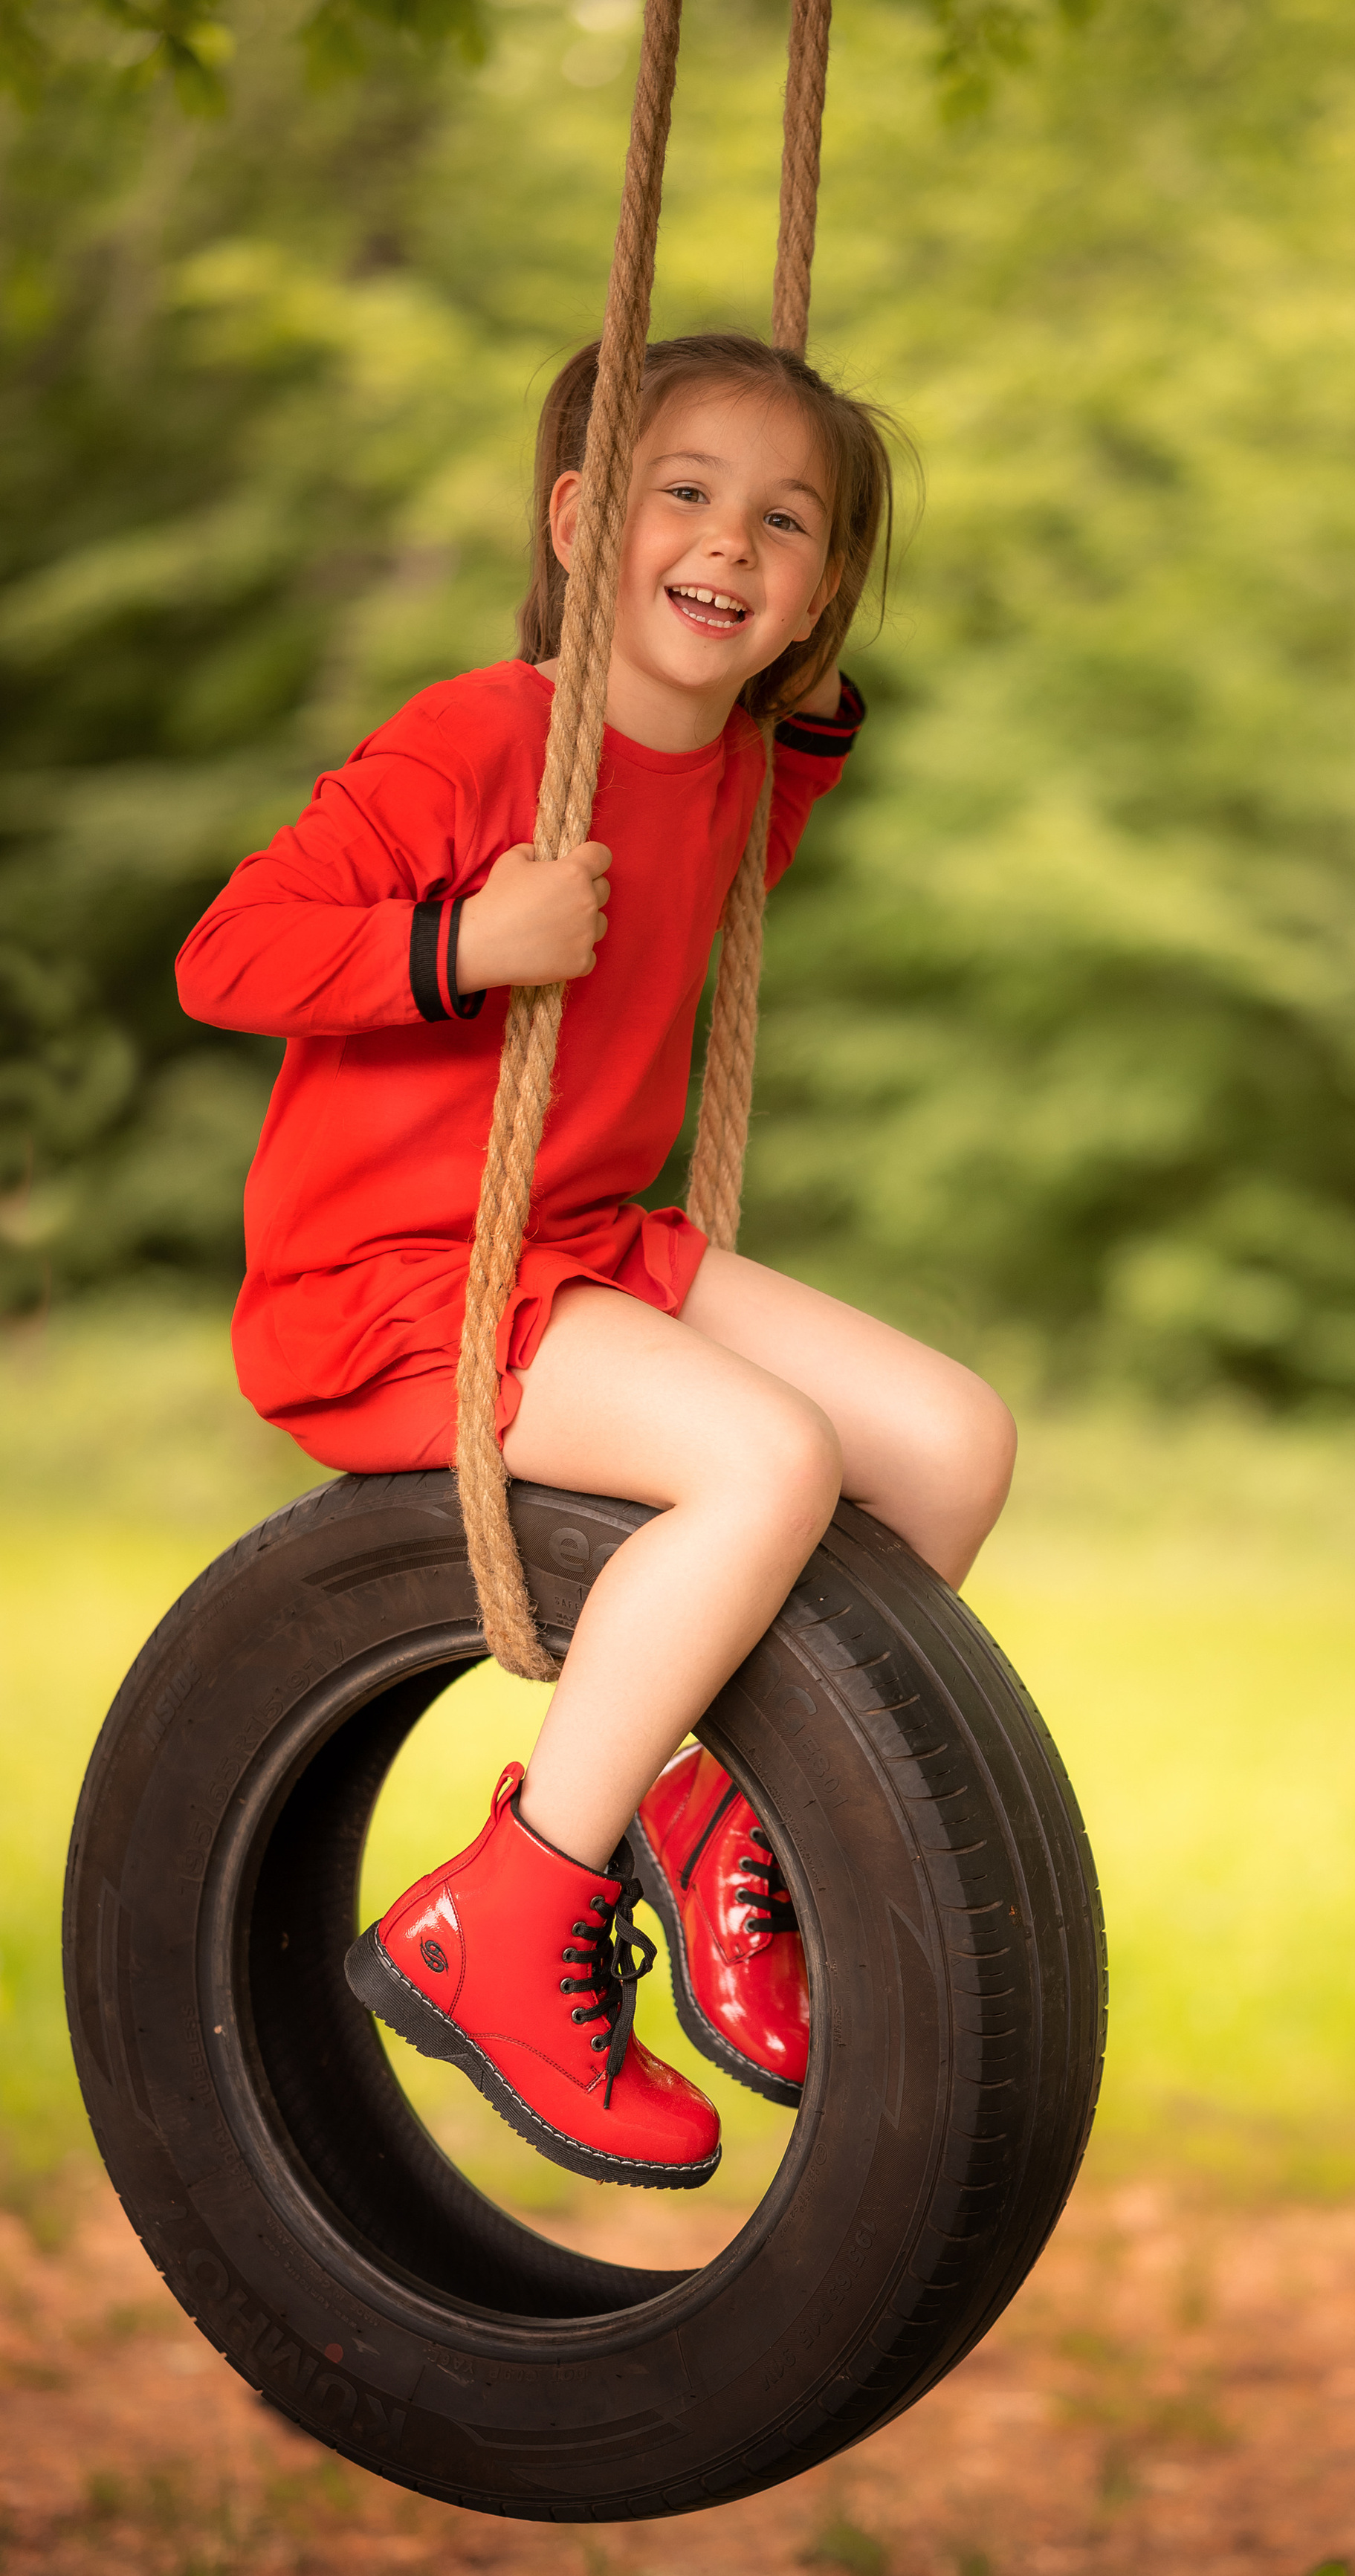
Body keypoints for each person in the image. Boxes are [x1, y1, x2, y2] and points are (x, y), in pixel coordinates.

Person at [177, 331, 1017, 2192]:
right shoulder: (481, 736)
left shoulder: (726, 762)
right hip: (394, 1281)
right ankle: (516, 1903)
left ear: (822, 589)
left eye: (785, 523)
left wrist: (807, 734)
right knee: (766, 1458)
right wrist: (463, 939)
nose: (729, 544)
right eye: (686, 494)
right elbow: (227, 954)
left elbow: (743, 833)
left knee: (950, 1439)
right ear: (580, 520)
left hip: (583, 1247)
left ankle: (723, 1833)